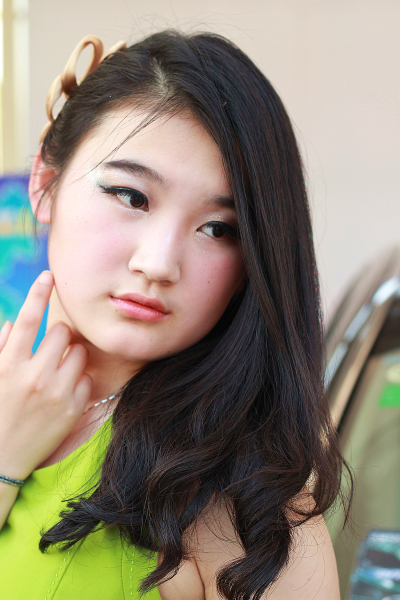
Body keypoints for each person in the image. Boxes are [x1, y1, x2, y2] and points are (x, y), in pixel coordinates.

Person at [0, 30, 348, 599]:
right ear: (44, 184)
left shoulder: (241, 504)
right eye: (131, 196)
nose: (159, 263)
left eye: (218, 229)